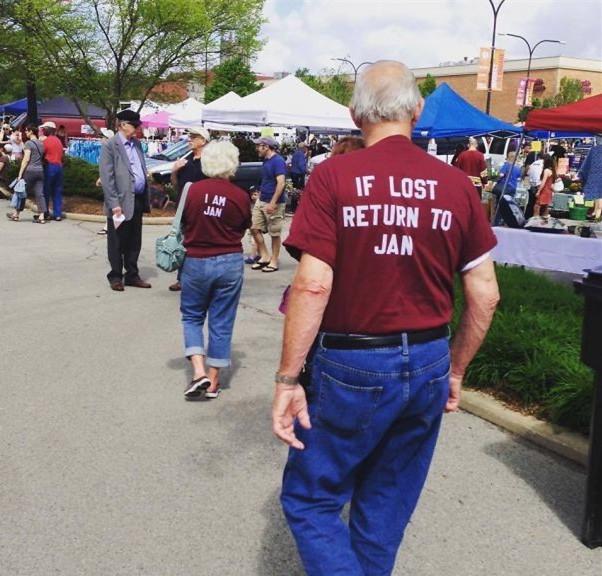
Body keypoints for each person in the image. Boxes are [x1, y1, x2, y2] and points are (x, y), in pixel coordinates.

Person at [272, 60, 500, 576]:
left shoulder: (333, 177)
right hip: (428, 358)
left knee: (311, 499)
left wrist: (287, 378)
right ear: (417, 111)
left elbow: (312, 283)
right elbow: (485, 294)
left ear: (356, 115)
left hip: (351, 362)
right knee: (386, 505)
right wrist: (456, 369)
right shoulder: (457, 186)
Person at [179, 140, 251, 400]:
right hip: (229, 261)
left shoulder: (192, 191)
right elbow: (244, 226)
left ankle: (198, 371)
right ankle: (213, 380)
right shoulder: (240, 196)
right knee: (222, 320)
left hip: (196, 259)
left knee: (192, 316)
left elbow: (183, 222)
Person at [99, 109, 151, 291]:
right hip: (119, 202)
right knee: (117, 241)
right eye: (134, 125)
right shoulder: (110, 145)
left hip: (137, 198)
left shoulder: (136, 144)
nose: (137, 128)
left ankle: (132, 274)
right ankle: (115, 276)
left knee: (134, 240)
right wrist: (114, 204)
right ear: (122, 125)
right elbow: (107, 177)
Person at [168, 126, 211, 292]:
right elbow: (175, 185)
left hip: (202, 211)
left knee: (201, 246)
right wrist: (174, 171)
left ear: (203, 141)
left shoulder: (209, 163)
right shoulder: (186, 160)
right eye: (190, 136)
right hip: (184, 210)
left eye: (193, 137)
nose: (189, 140)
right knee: (183, 245)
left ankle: (202, 280)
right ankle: (182, 279)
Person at [250, 136, 286, 273]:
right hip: (262, 199)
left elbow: (281, 183)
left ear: (266, 147)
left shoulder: (278, 161)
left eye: (258, 146)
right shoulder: (266, 161)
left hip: (274, 202)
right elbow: (266, 180)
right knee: (254, 228)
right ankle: (265, 256)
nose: (257, 149)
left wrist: (273, 202)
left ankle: (274, 261)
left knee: (274, 233)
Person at [7, 125, 47, 223]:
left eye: (26, 131)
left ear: (31, 132)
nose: (25, 132)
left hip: (30, 171)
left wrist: (20, 174)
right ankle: (42, 216)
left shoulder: (29, 143)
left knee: (21, 192)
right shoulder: (41, 144)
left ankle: (16, 214)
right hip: (40, 171)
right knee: (40, 193)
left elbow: (26, 159)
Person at [39, 121, 65, 221]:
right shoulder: (58, 141)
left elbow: (41, 154)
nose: (43, 131)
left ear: (48, 130)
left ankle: (45, 212)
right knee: (57, 191)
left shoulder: (46, 141)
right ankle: (57, 214)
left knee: (46, 190)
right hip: (59, 166)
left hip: (50, 167)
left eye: (44, 129)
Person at [578, 138, 602, 221]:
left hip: (596, 179)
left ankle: (596, 215)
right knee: (598, 196)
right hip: (596, 179)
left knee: (598, 196)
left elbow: (585, 167)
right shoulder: (595, 151)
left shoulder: (594, 150)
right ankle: (596, 215)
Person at [525, 152, 544, 219]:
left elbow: (528, 173)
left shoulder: (533, 164)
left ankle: (527, 218)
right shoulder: (544, 164)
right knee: (538, 204)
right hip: (539, 186)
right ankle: (537, 219)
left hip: (532, 186)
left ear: (538, 157)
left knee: (530, 203)